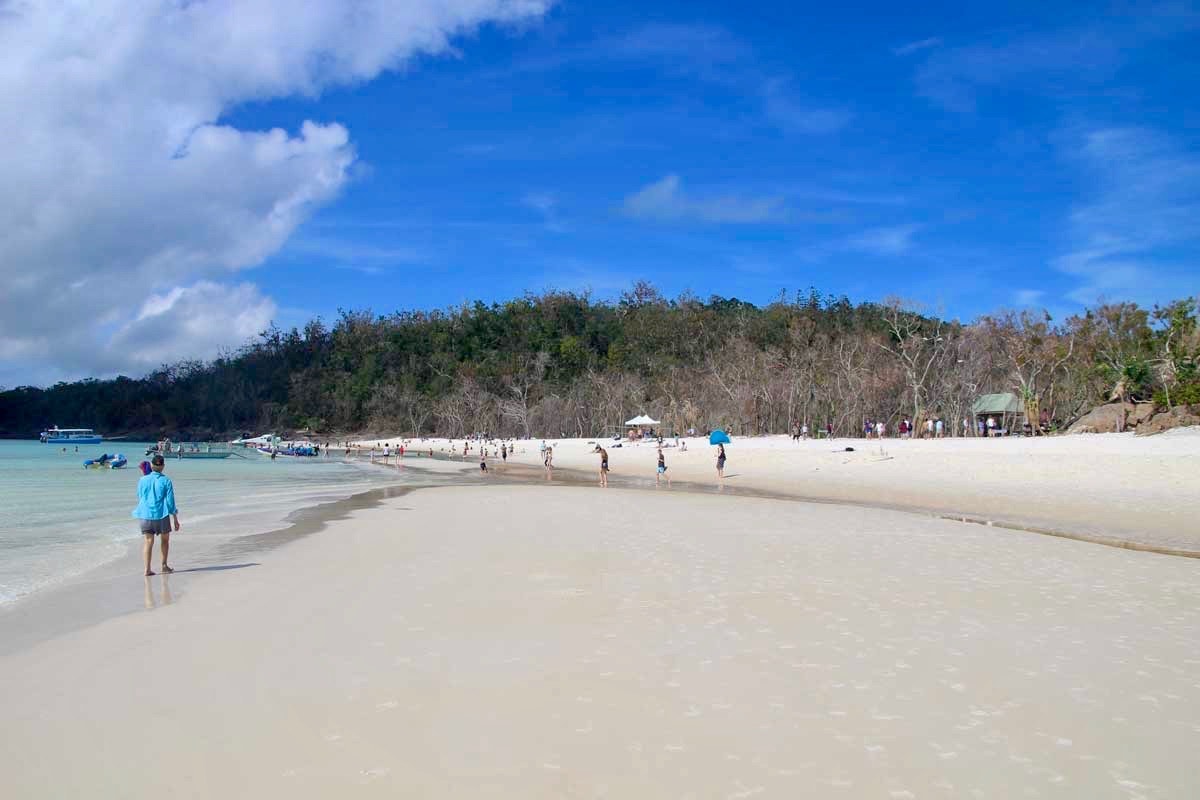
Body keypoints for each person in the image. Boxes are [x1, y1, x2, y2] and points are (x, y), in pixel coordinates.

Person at [132, 454, 180, 577]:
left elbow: (139, 496)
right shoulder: (166, 481)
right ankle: (164, 565)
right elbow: (170, 502)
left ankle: (147, 569)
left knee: (148, 541)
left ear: (152, 465)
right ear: (163, 466)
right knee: (164, 541)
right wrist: (175, 518)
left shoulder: (142, 480)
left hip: (145, 515)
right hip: (161, 515)